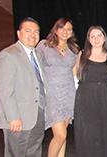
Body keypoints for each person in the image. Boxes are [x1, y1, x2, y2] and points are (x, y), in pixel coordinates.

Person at [0, 17, 46, 157]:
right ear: (18, 33)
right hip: (18, 118)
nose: (33, 35)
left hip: (37, 115)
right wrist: (13, 117)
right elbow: (6, 91)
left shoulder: (38, 55)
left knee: (34, 152)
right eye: (28, 31)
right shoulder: (8, 55)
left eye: (36, 32)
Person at [35, 17, 79, 157]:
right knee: (60, 135)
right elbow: (35, 68)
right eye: (62, 28)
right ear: (56, 29)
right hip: (52, 94)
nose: (65, 32)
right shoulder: (44, 45)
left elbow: (74, 74)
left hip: (69, 93)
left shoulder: (74, 49)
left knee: (63, 135)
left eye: (69, 29)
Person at [73, 26, 107, 157]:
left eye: (99, 35)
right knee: (87, 133)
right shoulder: (82, 54)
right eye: (93, 36)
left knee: (105, 132)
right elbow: (74, 75)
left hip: (105, 98)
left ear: (104, 38)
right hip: (85, 97)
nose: (96, 39)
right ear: (88, 39)